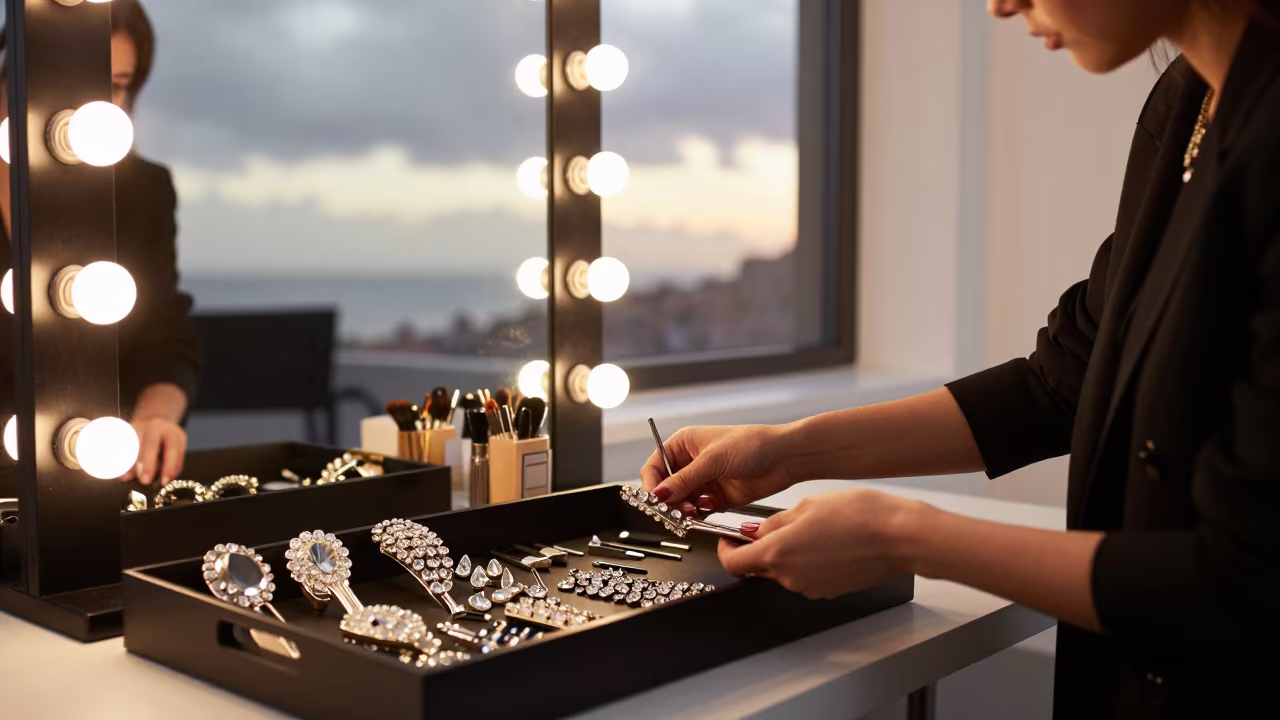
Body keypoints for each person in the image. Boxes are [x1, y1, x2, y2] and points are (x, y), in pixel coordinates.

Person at [642, 0, 1280, 717]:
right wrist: (789, 452)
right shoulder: (1187, 100)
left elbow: (1245, 587)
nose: (1001, 4)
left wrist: (903, 536)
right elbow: (1059, 383)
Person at [0, 0, 198, 487]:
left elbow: (167, 336)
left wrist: (156, 415)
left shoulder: (144, 190)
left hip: (93, 481)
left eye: (116, 85)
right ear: (11, 70)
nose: (91, 103)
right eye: (72, 73)